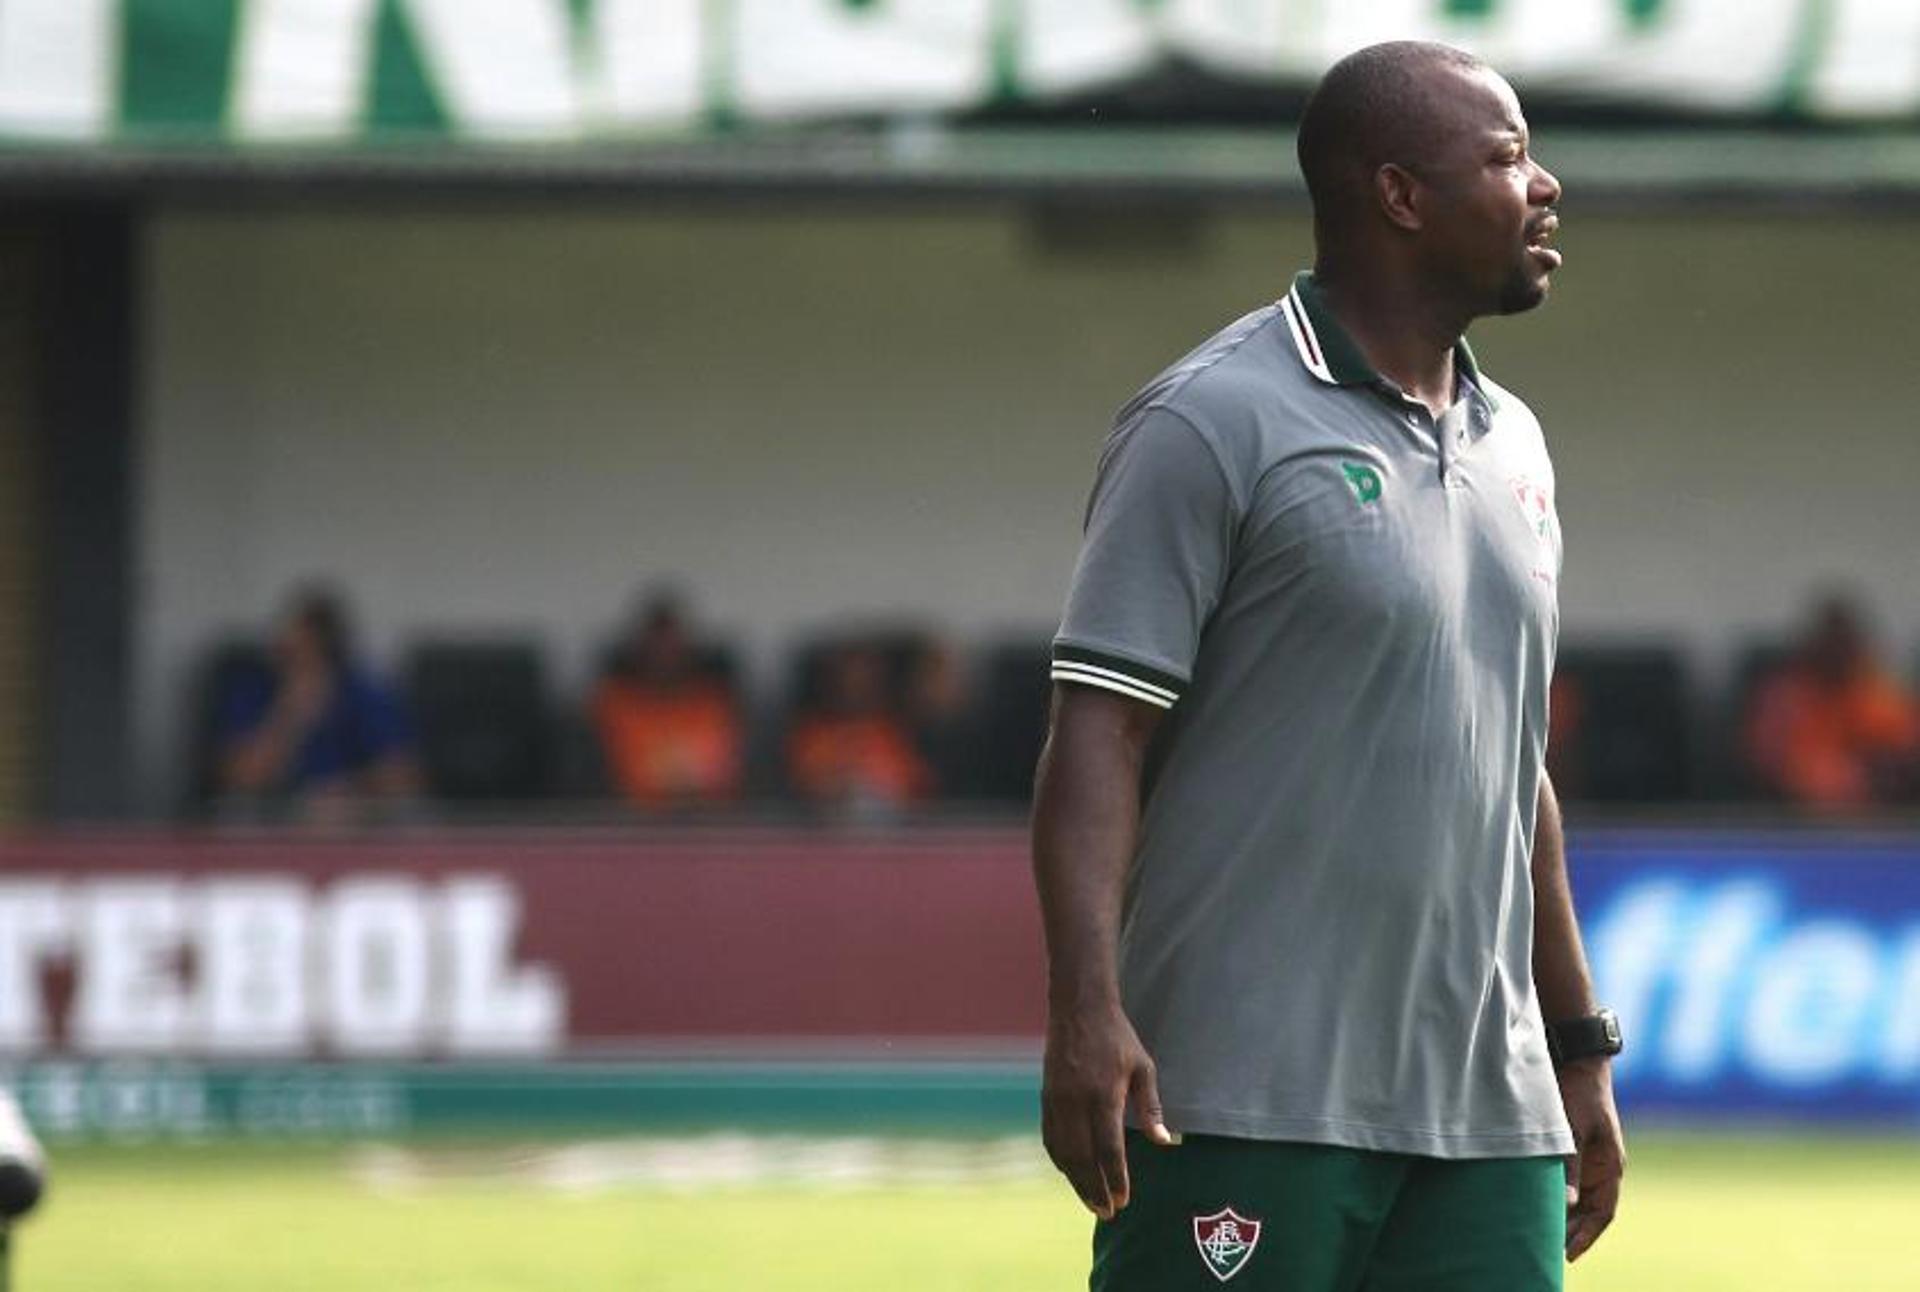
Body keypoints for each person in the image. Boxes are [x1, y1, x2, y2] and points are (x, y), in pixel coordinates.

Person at [1031, 42, 1624, 1291]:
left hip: (1487, 1114)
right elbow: (1100, 730)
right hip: (1245, 1093)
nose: (1546, 186)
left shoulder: (1515, 441)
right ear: (1400, 194)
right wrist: (1085, 1009)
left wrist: (1575, 1045)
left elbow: (1513, 763)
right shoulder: (1209, 420)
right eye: (1510, 158)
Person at [215, 585, 419, 820]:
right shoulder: (253, 688)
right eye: (289, 650)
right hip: (270, 824)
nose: (297, 661)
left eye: (309, 651)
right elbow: (240, 780)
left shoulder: (365, 694)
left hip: (352, 827)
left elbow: (405, 780)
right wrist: (289, 716)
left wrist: (347, 794)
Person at [1744, 593, 1919, 811]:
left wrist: (1865, 778)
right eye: (1828, 643)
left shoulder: (1879, 693)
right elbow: (1763, 760)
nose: (1835, 652)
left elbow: (1906, 753)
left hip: (1876, 821)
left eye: (1842, 643)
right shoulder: (1786, 696)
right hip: (1792, 821)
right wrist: (1818, 778)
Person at [592, 591, 743, 809]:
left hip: (707, 823)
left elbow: (725, 774)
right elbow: (610, 774)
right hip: (631, 825)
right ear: (638, 650)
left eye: (672, 647)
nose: (664, 657)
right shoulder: (612, 701)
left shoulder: (712, 702)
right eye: (655, 648)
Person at [786, 639, 932, 817]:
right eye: (849, 677)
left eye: (865, 677)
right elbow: (806, 786)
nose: (856, 685)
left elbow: (916, 787)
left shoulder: (895, 732)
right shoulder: (812, 734)